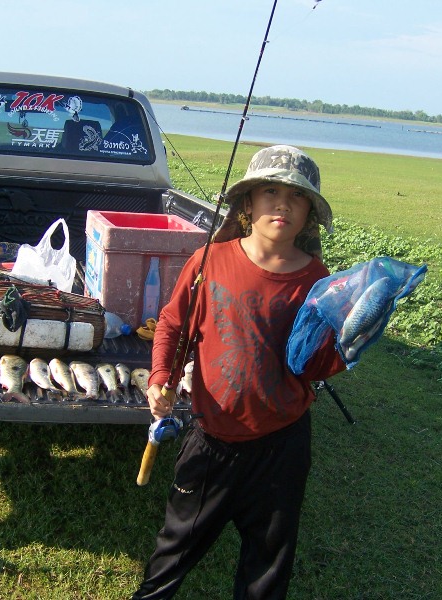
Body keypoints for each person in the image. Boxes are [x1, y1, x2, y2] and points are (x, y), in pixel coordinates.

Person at [131, 145, 347, 599]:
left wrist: (349, 344)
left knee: (268, 565)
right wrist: (158, 380)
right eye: (270, 191)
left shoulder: (317, 281)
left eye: (296, 196)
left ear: (310, 213)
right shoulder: (210, 260)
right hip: (212, 441)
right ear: (247, 203)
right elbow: (172, 324)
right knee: (175, 547)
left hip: (283, 445)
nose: (282, 204)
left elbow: (315, 365)